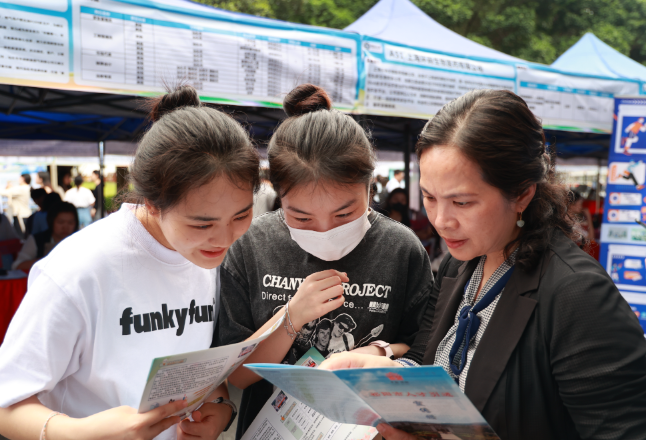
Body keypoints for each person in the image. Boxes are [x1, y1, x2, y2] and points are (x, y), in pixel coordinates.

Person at [320, 89, 646, 440]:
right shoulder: (457, 266)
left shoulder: (576, 295)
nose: (441, 221)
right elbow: (428, 358)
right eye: (429, 197)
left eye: (462, 202)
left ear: (522, 193)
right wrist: (381, 370)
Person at [0, 84, 260, 440]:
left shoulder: (211, 257)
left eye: (241, 216)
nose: (225, 238)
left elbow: (199, 364)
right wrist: (78, 433)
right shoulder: (79, 269)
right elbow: (7, 402)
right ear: (151, 203)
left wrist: (219, 407)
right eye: (203, 223)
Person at [218, 84, 433, 439]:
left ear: (369, 188)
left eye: (345, 213)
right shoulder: (251, 244)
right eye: (301, 218)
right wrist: (292, 316)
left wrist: (380, 352)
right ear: (278, 197)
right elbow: (238, 375)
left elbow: (424, 348)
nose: (325, 231)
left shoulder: (400, 248)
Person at [12, 202, 79, 272]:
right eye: (60, 222)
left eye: (70, 223)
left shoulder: (80, 240)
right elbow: (17, 265)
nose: (65, 227)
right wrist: (49, 260)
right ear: (51, 221)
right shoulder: (36, 239)